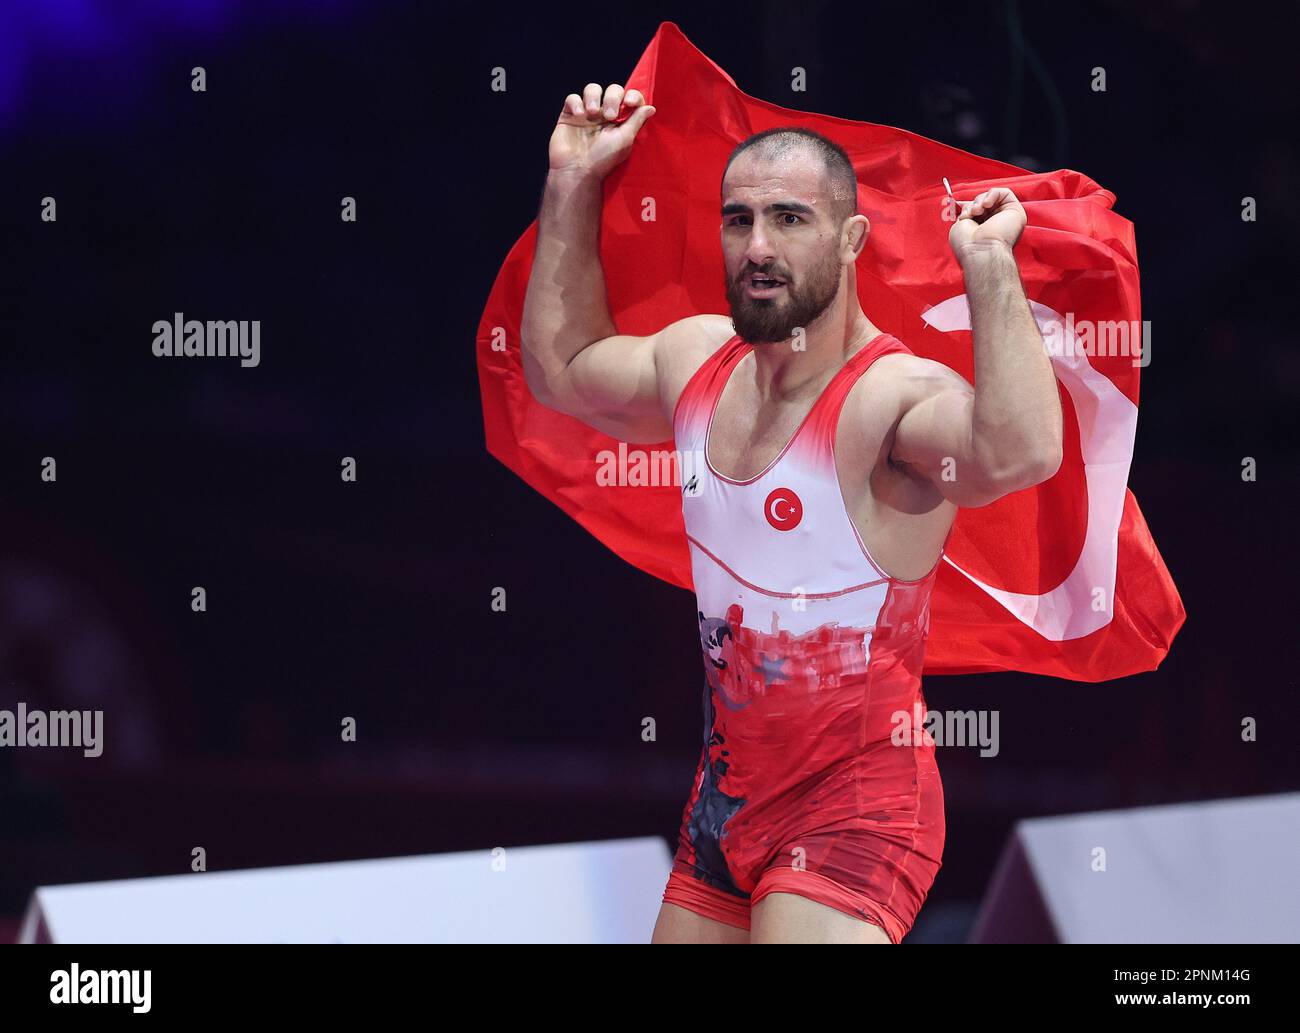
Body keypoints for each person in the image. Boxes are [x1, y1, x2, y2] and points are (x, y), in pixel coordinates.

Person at [520, 82, 1063, 943]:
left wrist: (990, 266)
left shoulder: (889, 398)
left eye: (789, 219)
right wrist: (572, 181)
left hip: (857, 811)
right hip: (725, 806)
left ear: (851, 240)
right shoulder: (695, 359)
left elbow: (1019, 453)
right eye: (739, 220)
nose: (758, 246)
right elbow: (561, 368)